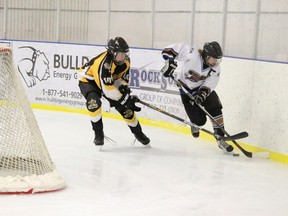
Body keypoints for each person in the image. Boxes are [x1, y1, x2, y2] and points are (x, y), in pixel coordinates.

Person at [160, 41, 234, 153]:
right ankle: (195, 124)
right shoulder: (192, 54)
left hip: (201, 90)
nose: (215, 62)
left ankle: (220, 138)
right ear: (206, 55)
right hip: (186, 92)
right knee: (200, 121)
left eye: (217, 59)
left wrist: (201, 95)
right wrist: (169, 63)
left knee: (215, 107)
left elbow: (209, 84)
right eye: (213, 58)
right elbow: (169, 50)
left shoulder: (215, 68)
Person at [78, 37, 150, 147]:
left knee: (126, 108)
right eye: (121, 54)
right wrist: (126, 99)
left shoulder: (125, 62)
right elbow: (107, 90)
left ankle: (138, 133)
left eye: (125, 54)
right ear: (113, 53)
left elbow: (121, 80)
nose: (124, 57)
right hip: (89, 81)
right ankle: (98, 135)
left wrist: (124, 91)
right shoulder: (104, 64)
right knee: (93, 103)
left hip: (108, 81)